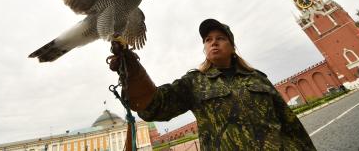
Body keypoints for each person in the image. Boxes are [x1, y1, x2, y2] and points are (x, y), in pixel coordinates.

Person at [108, 19, 316, 151]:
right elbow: (155, 106)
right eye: (208, 39)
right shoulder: (195, 82)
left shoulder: (257, 79)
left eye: (220, 38)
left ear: (232, 47)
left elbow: (290, 123)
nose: (213, 42)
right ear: (205, 48)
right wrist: (131, 70)